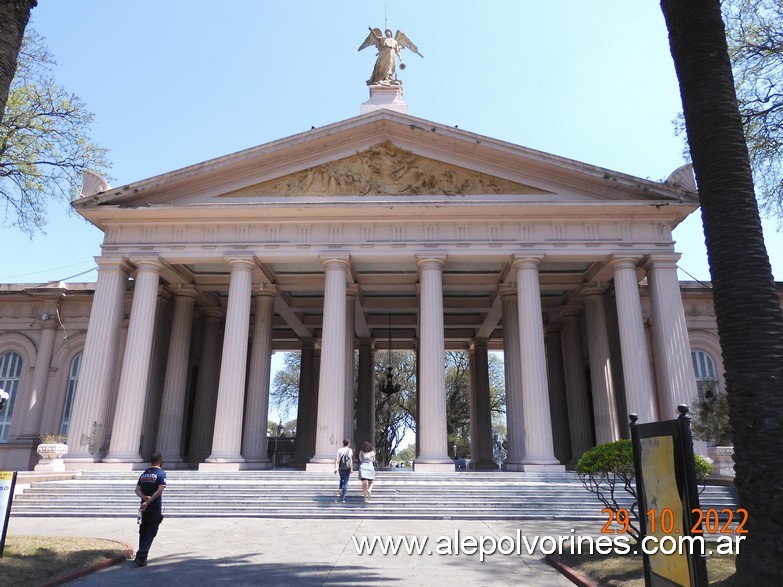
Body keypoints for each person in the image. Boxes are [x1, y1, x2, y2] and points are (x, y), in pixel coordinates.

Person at [358, 27, 422, 86]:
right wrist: (372, 31)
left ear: (390, 33)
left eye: (388, 32)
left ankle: (387, 79)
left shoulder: (395, 42)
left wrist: (401, 60)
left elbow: (397, 52)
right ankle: (379, 79)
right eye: (386, 32)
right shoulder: (383, 39)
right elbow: (376, 37)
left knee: (389, 65)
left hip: (391, 52)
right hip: (383, 52)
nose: (386, 33)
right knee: (380, 66)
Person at [133, 452, 167, 567]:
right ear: (160, 461)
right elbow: (160, 490)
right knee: (151, 530)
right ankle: (142, 555)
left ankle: (140, 555)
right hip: (154, 506)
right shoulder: (161, 473)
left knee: (143, 529)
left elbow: (137, 490)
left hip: (143, 506)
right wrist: (149, 500)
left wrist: (144, 498)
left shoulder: (144, 474)